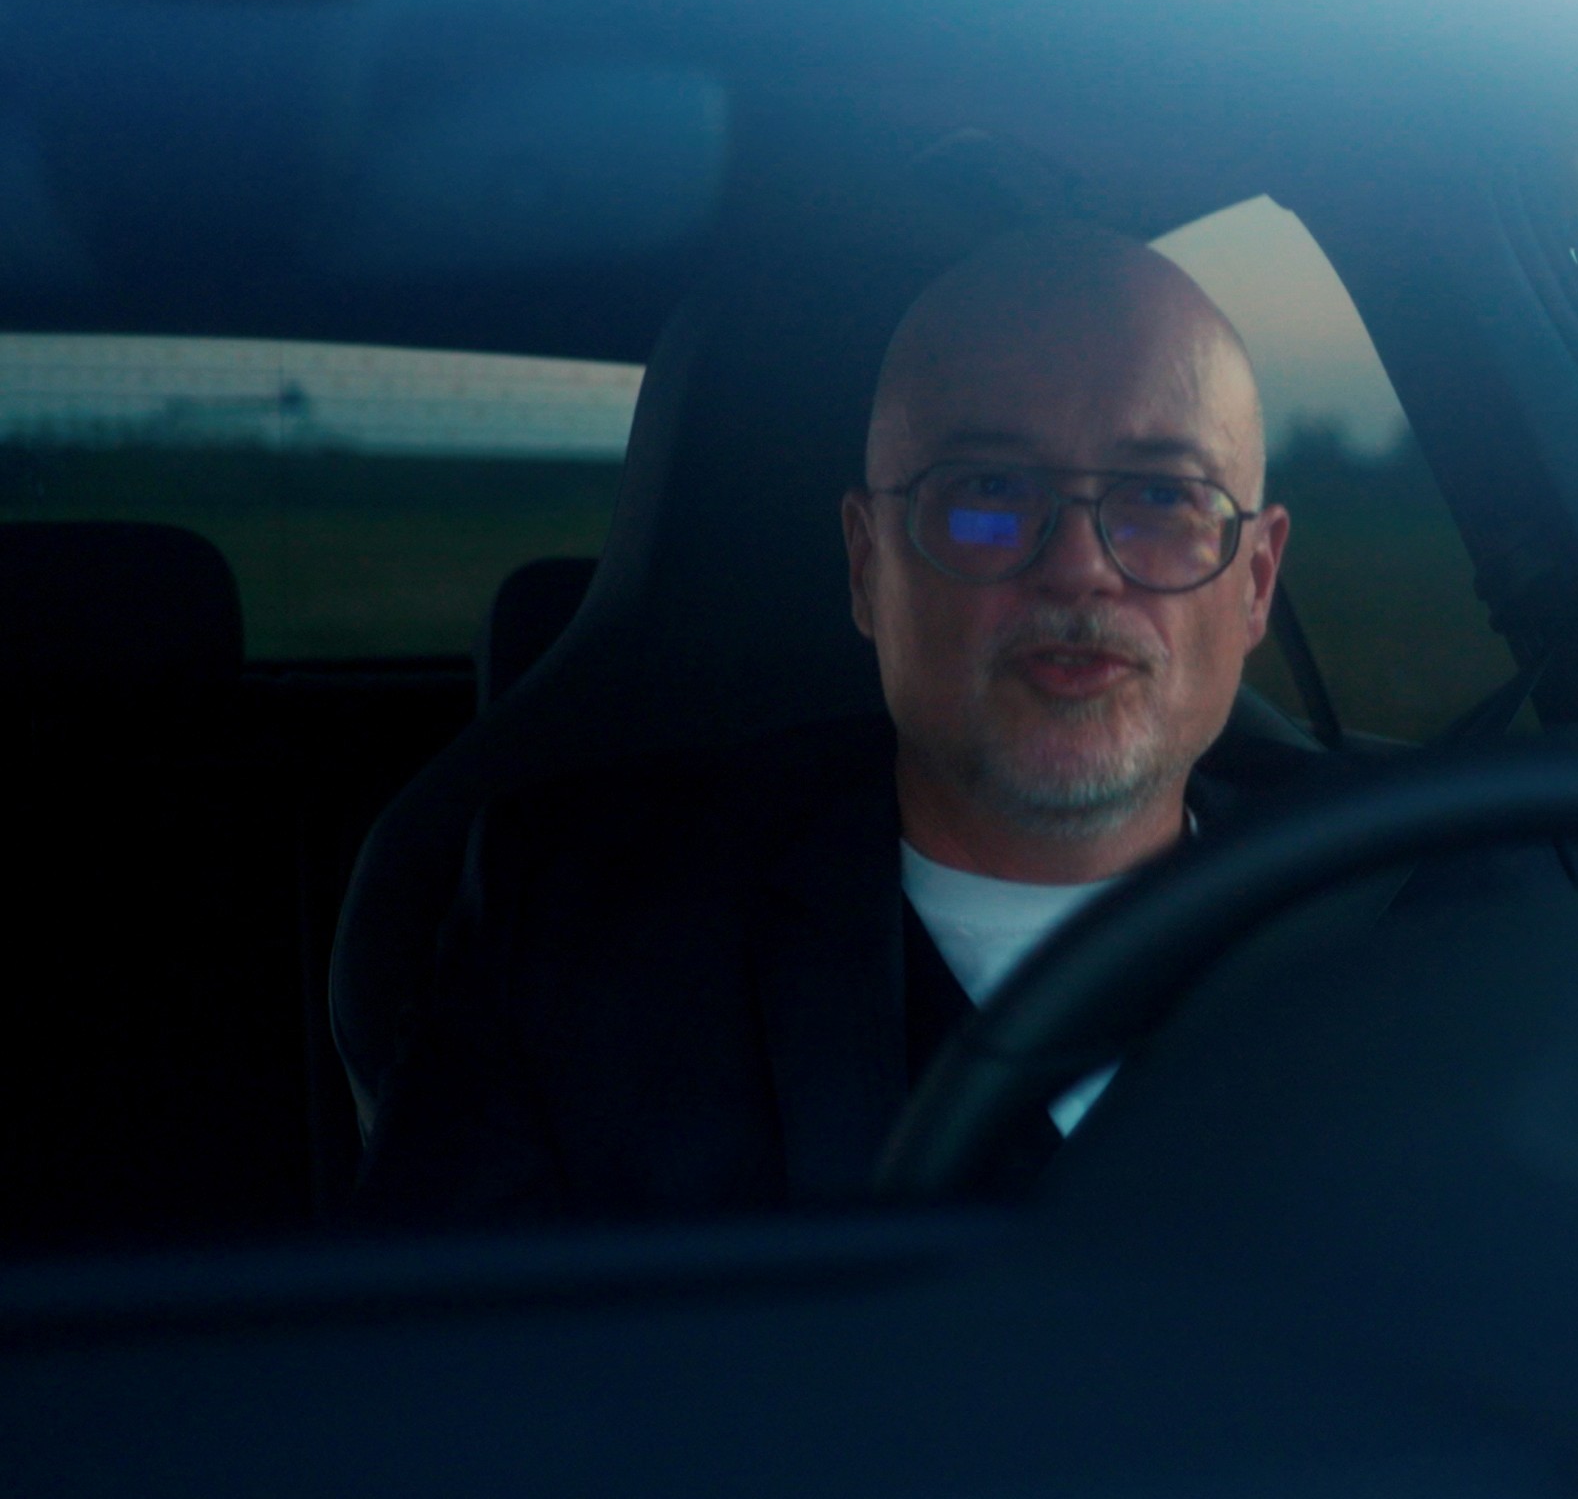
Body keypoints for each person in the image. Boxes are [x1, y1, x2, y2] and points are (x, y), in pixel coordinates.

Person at [361, 224, 1316, 1217]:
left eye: (1164, 497)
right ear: (867, 566)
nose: (1078, 566)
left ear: (1254, 582)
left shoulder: (1422, 910)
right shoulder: (578, 939)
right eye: (989, 494)